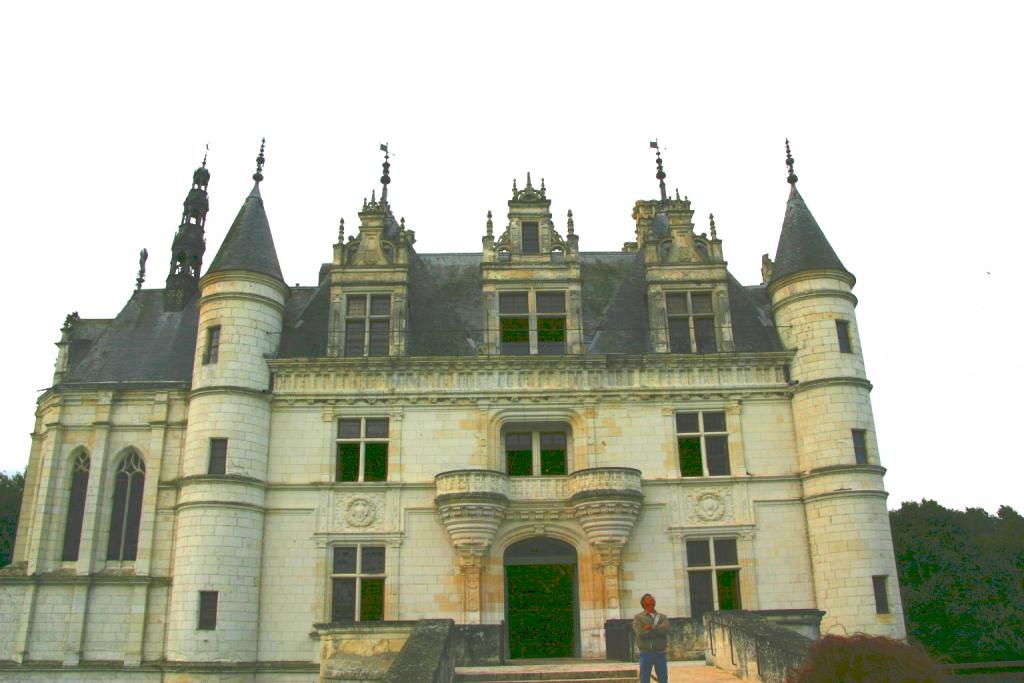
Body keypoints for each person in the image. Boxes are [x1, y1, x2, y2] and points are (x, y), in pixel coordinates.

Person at [633, 593, 669, 683]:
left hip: (660, 653)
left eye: (652, 598)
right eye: (649, 598)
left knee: (663, 678)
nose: (652, 599)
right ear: (644, 603)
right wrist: (657, 629)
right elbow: (640, 633)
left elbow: (665, 630)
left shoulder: (662, 617)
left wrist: (651, 628)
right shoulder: (638, 618)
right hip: (646, 653)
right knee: (644, 679)